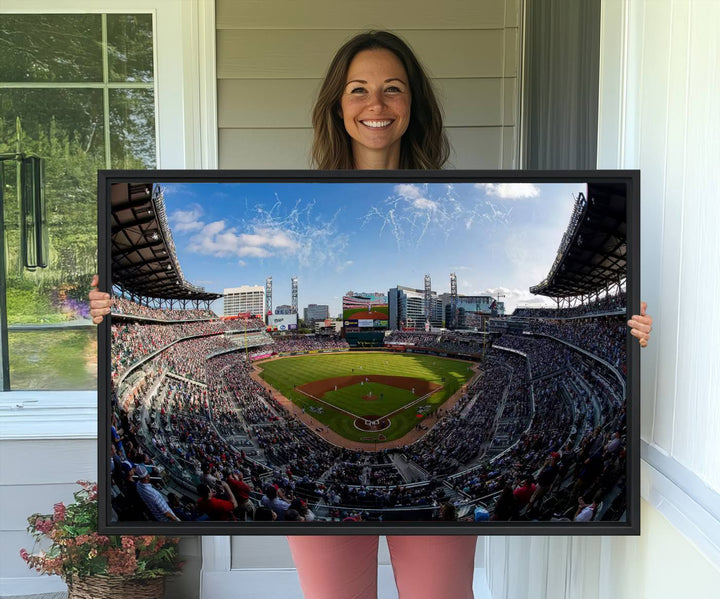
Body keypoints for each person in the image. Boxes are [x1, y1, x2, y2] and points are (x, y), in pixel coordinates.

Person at [89, 29, 653, 599]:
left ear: (414, 105)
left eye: (393, 89)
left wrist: (625, 328)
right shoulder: (300, 192)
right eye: (358, 89)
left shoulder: (455, 194)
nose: (375, 105)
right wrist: (112, 312)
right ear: (337, 104)